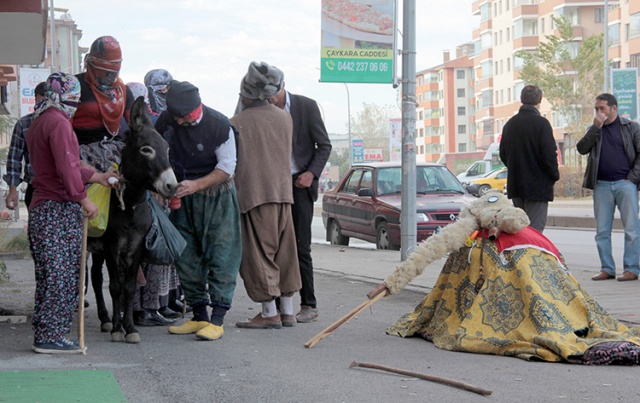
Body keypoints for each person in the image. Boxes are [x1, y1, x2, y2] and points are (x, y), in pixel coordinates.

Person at [26, 72, 118, 354]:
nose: (75, 106)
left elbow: (70, 164)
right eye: (72, 100)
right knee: (61, 274)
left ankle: (47, 329)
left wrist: (96, 176)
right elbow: (66, 168)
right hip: (57, 207)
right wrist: (83, 200)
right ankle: (50, 336)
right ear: (58, 96)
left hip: (43, 207)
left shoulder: (40, 121)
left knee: (50, 273)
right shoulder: (59, 123)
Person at [156, 80, 242, 341]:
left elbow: (227, 167)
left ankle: (217, 319)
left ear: (197, 106)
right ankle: (199, 315)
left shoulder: (220, 125)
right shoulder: (167, 121)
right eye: (177, 117)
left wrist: (196, 185)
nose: (181, 122)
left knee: (221, 254)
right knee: (186, 255)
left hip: (216, 196)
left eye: (186, 117)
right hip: (182, 197)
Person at [232, 62, 301, 329]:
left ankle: (269, 312)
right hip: (284, 193)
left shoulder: (237, 122)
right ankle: (288, 311)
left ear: (246, 94)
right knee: (285, 253)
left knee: (259, 254)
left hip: (253, 194)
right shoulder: (285, 117)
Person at [269, 74, 332, 323]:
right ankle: (273, 307)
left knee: (300, 247)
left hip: (299, 185)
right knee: (271, 247)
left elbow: (324, 145)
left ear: (283, 87)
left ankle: (309, 304)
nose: (269, 99)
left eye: (272, 94)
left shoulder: (306, 106)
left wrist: (311, 173)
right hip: (273, 186)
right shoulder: (262, 109)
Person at [577, 93, 640, 282]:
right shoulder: (595, 129)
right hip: (602, 185)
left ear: (614, 108)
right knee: (602, 231)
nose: (599, 112)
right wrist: (595, 128)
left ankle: (631, 269)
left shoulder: (631, 128)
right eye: (596, 109)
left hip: (625, 184)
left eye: (602, 108)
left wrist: (632, 178)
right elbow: (581, 148)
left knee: (631, 229)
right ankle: (607, 268)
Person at [499, 84, 559, 233]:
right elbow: (549, 155)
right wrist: (553, 176)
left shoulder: (510, 125)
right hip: (538, 186)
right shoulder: (542, 124)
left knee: (520, 230)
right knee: (535, 233)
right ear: (540, 99)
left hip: (517, 185)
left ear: (521, 99)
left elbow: (503, 154)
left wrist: (515, 167)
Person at [3, 82, 46, 211]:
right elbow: (14, 158)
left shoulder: (64, 123)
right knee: (36, 229)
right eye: (42, 98)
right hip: (35, 187)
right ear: (36, 98)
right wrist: (12, 190)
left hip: (60, 189)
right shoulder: (24, 123)